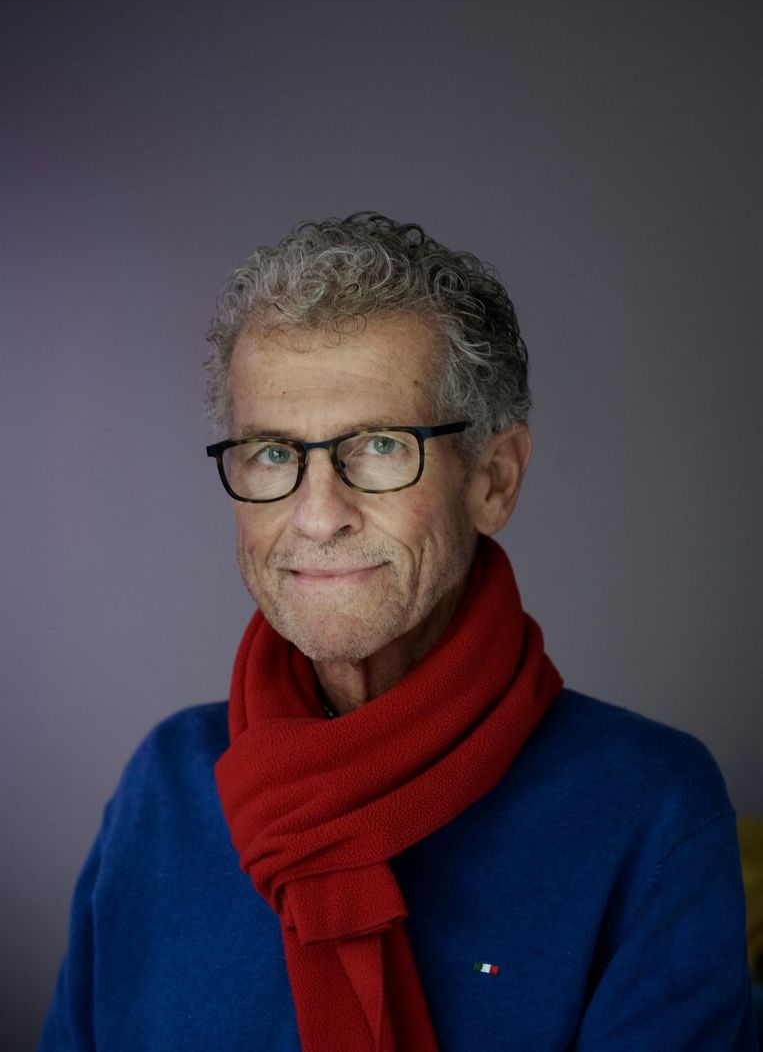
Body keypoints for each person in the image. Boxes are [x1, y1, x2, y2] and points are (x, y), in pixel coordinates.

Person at [39, 213, 756, 1051]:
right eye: (272, 453)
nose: (317, 515)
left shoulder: (648, 809)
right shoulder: (164, 786)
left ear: (493, 481)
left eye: (379, 445)